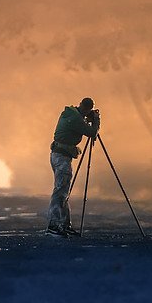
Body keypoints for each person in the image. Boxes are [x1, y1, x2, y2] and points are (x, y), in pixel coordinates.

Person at [46, 97, 100, 237]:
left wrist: (87, 118)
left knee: (63, 190)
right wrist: (96, 120)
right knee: (60, 191)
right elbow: (92, 133)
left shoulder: (72, 114)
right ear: (87, 108)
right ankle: (54, 226)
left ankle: (64, 225)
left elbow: (83, 127)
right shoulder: (76, 119)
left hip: (58, 155)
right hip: (62, 158)